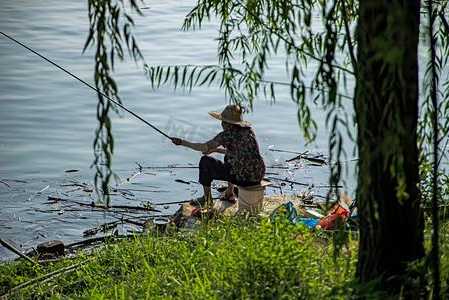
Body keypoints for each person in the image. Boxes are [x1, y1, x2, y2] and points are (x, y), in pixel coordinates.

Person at [171, 104, 265, 206]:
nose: (222, 123)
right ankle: (230, 192)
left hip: (242, 178)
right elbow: (239, 154)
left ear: (226, 123)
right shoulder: (249, 131)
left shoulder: (226, 135)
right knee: (232, 160)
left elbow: (204, 147)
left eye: (223, 121)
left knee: (205, 161)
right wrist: (216, 150)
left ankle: (207, 199)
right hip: (257, 175)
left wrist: (182, 142)